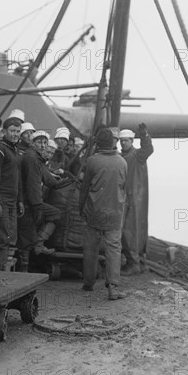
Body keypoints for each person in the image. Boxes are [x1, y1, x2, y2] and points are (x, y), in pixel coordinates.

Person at [79, 127, 127, 300]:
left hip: (94, 211)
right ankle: (113, 288)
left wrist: (80, 208)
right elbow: (124, 189)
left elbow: (84, 189)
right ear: (113, 142)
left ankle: (88, 283)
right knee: (113, 248)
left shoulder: (92, 161)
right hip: (114, 212)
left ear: (98, 143)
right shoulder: (122, 162)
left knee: (91, 247)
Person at [18, 130, 59, 270]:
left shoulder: (37, 158)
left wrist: (60, 181)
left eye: (44, 143)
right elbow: (33, 183)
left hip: (31, 201)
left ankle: (37, 246)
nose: (42, 146)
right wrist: (37, 205)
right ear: (32, 143)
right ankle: (25, 269)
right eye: (39, 142)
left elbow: (47, 178)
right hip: (29, 202)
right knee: (26, 237)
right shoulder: (31, 158)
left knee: (27, 235)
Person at [0, 117, 25, 270]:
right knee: (1, 237)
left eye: (18, 131)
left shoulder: (15, 151)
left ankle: (4, 272)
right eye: (12, 131)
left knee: (11, 237)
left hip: (13, 202)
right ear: (4, 132)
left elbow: (18, 179)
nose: (15, 134)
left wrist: (20, 200)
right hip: (2, 200)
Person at [119, 123, 154, 276]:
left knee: (130, 229)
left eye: (126, 140)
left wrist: (145, 136)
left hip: (134, 198)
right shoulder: (120, 157)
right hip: (130, 198)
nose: (123, 143)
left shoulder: (138, 155)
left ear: (132, 141)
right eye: (121, 141)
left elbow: (148, 150)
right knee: (134, 229)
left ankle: (134, 263)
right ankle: (139, 262)